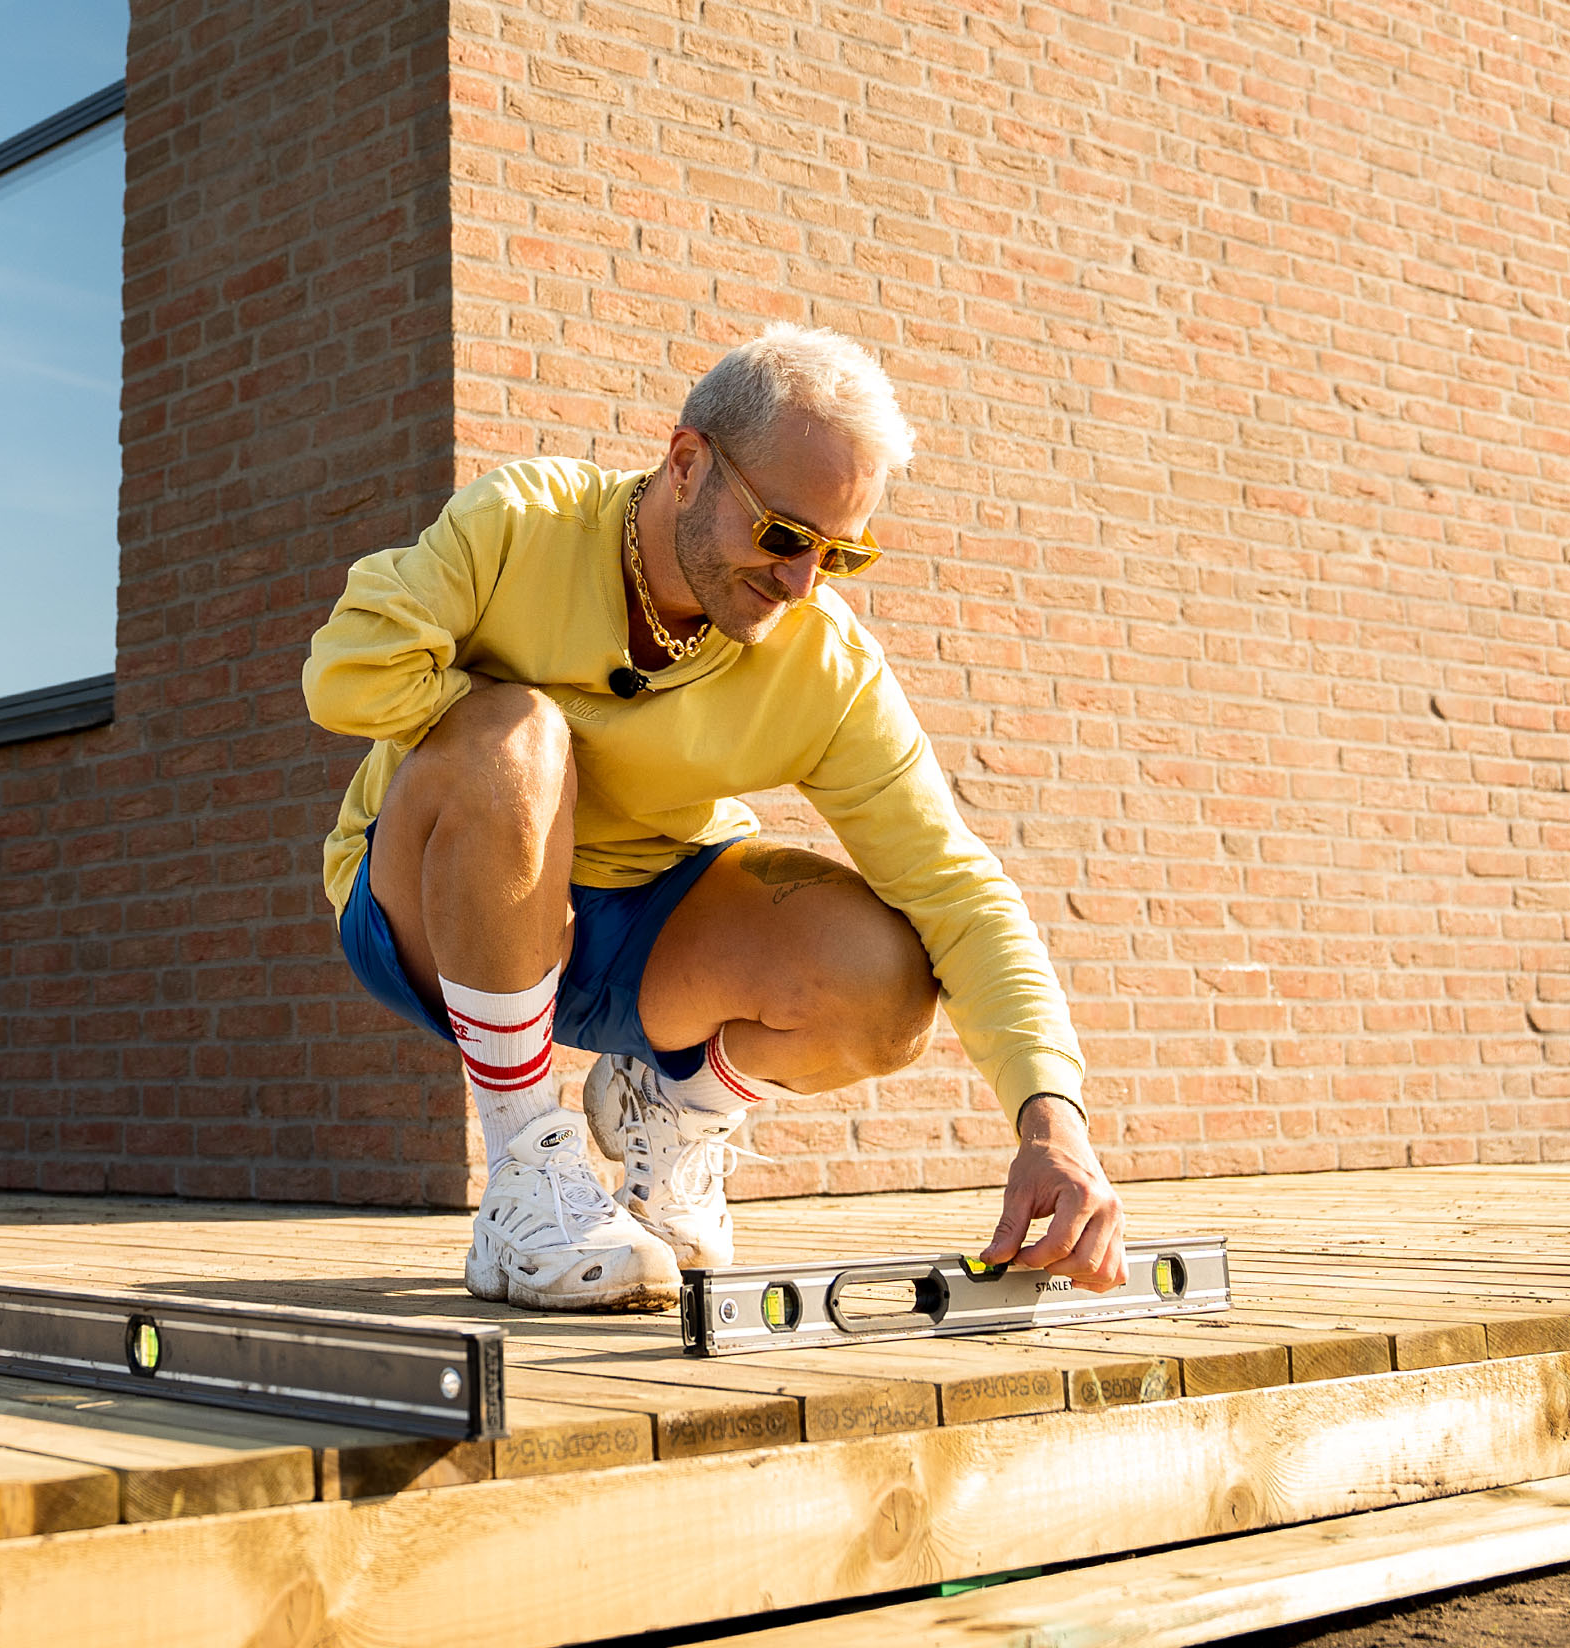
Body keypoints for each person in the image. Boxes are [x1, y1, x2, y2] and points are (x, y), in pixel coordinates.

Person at [304, 326, 1123, 1311]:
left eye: (841, 553)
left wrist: (1052, 1118)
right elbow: (343, 678)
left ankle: (671, 1107)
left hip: (640, 940)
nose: (801, 583)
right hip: (430, 915)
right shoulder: (523, 527)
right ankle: (526, 1180)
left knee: (887, 976)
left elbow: (959, 889)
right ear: (686, 463)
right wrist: (511, 725)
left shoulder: (822, 662)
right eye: (782, 535)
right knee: (513, 731)